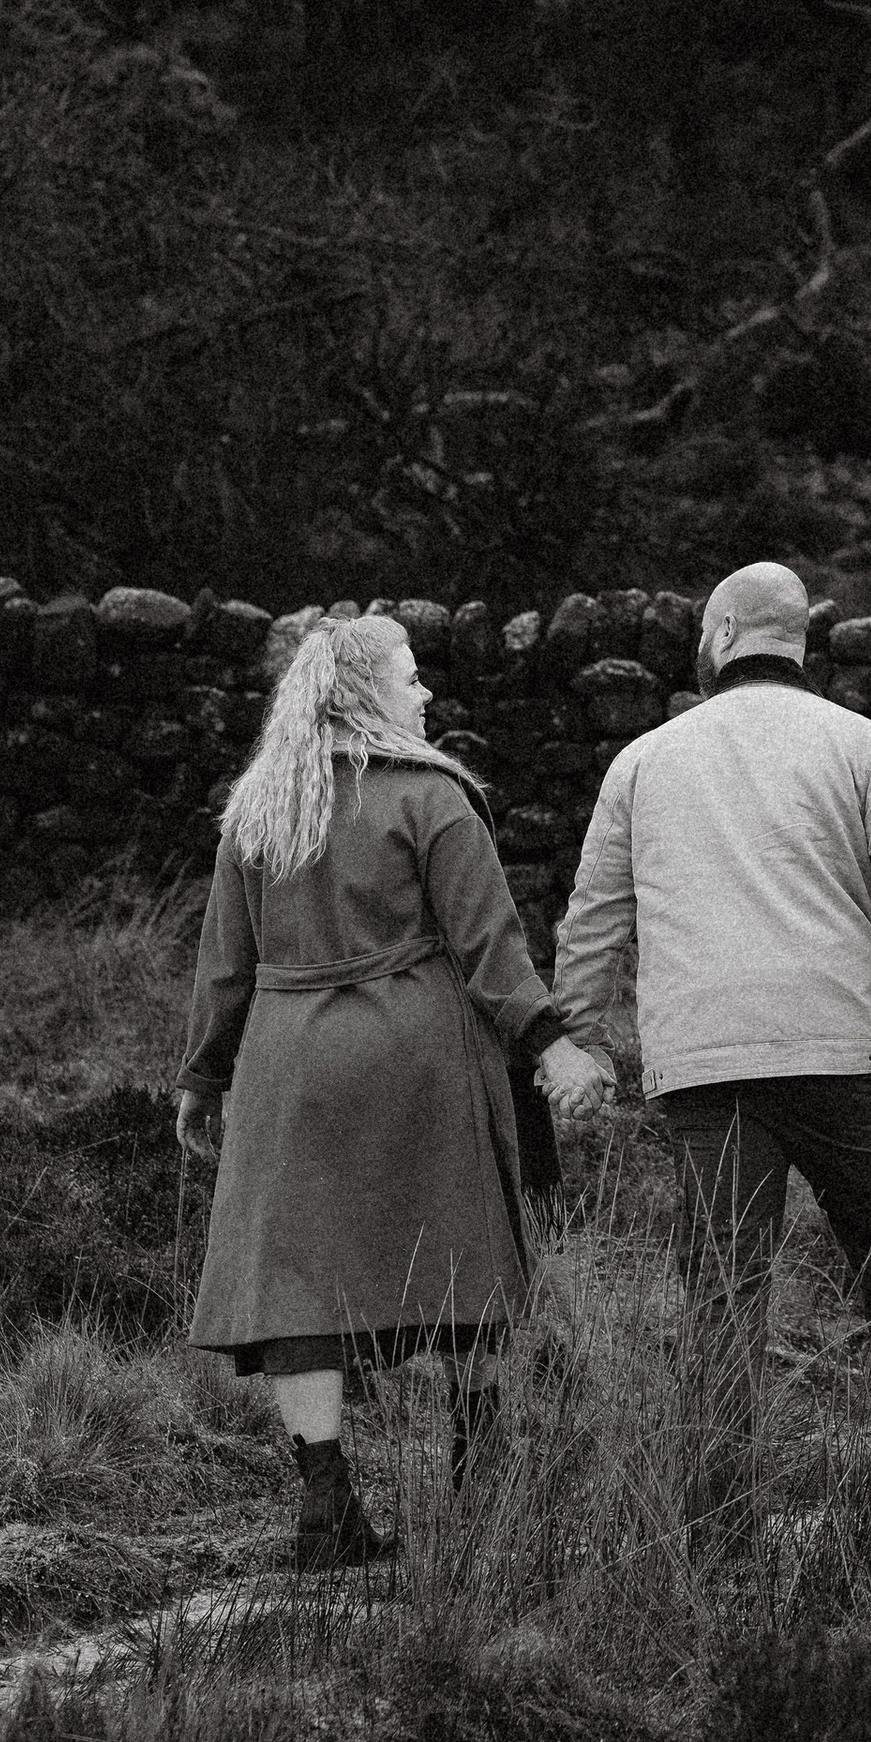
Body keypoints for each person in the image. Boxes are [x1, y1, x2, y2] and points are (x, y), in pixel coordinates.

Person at [174, 611, 602, 1571]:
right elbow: (492, 948)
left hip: (291, 1062)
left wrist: (205, 1078)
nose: (426, 694)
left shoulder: (259, 805)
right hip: (419, 1056)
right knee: (467, 1258)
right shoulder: (431, 796)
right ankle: (481, 1481)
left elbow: (224, 967)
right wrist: (551, 1042)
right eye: (411, 677)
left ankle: (326, 1509)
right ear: (368, 692)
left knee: (297, 1284)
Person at [545, 561, 871, 1517]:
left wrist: (586, 1035)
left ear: (720, 635)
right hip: (846, 1046)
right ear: (799, 640)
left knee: (723, 1293)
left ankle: (718, 1528)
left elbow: (595, 918)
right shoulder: (867, 745)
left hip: (704, 1064)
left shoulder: (644, 760)